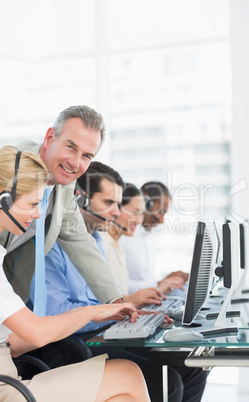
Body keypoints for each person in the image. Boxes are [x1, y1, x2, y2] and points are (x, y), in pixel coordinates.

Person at [27, 164, 205, 402]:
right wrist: (103, 311)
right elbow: (52, 314)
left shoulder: (95, 240)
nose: (115, 212)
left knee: (192, 365)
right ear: (80, 200)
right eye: (109, 203)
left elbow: (98, 301)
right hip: (69, 343)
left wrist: (127, 310)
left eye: (118, 204)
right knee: (167, 380)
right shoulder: (51, 246)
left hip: (99, 332)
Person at [0, 146, 150, 402]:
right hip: (7, 387)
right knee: (127, 373)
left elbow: (12, 342)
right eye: (33, 204)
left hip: (9, 372)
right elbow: (36, 332)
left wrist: (109, 311)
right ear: (4, 200)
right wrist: (94, 312)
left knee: (122, 391)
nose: (38, 215)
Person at [0, 105, 123, 305]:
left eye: (86, 156)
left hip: (10, 301)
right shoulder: (12, 168)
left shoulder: (64, 184)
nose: (75, 163)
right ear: (49, 138)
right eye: (70, 147)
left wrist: (115, 302)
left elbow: (79, 240)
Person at [103, 183, 185, 298]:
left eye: (140, 213)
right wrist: (157, 286)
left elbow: (121, 287)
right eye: (134, 212)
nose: (162, 220)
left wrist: (161, 285)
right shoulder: (113, 240)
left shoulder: (144, 237)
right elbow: (112, 292)